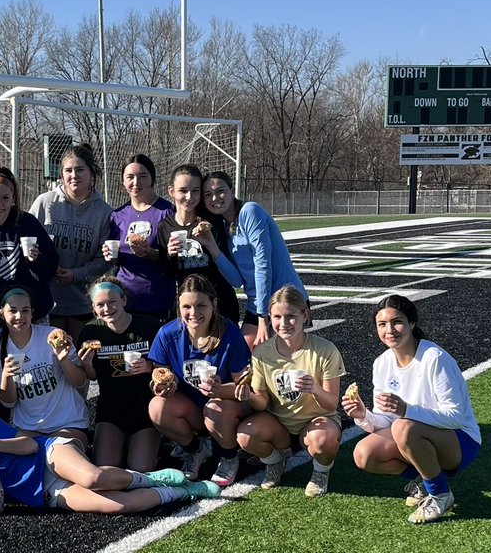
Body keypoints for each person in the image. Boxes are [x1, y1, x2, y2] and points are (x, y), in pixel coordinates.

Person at [0, 391, 220, 514]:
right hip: (39, 493)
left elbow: (29, 444)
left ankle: (148, 477)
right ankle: (182, 491)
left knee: (94, 477)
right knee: (116, 506)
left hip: (47, 454)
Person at [342, 294, 482, 524]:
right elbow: (386, 420)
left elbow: (456, 417)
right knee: (363, 454)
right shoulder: (382, 363)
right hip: (413, 434)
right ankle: (422, 479)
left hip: (460, 441)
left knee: (404, 428)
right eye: (382, 324)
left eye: (397, 322)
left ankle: (439, 493)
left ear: (412, 323)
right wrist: (363, 415)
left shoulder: (434, 358)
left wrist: (407, 410)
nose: (390, 330)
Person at [236, 285, 346, 497]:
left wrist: (314, 388)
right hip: (279, 423)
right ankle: (276, 461)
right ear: (269, 317)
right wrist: (249, 395)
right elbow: (262, 402)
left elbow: (332, 404)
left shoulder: (325, 350)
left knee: (324, 440)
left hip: (317, 419)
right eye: (277, 317)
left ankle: (321, 472)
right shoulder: (261, 353)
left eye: (291, 316)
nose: (283, 323)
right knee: (245, 436)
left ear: (305, 316)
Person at [147, 274, 252, 485]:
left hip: (227, 408)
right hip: (193, 410)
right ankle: (195, 450)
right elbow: (158, 376)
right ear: (178, 306)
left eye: (201, 305)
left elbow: (245, 389)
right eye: (187, 306)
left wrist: (220, 391)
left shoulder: (230, 334)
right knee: (157, 407)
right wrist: (162, 387)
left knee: (215, 409)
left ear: (214, 304)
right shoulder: (167, 334)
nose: (193, 313)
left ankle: (229, 456)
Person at [29, 144, 113, 343]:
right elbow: (28, 242)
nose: (73, 175)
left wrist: (77, 274)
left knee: (77, 359)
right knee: (53, 357)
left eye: (80, 169)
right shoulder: (44, 203)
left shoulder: (104, 212)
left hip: (83, 301)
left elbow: (105, 259)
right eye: (68, 170)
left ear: (92, 173)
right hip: (47, 299)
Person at [77, 277, 162, 471]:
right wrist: (87, 365)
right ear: (93, 308)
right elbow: (91, 376)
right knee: (106, 467)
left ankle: (155, 445)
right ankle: (123, 446)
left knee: (140, 468)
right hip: (111, 411)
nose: (107, 309)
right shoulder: (90, 331)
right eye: (100, 304)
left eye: (112, 301)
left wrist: (150, 367)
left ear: (123, 300)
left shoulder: (150, 326)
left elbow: (167, 366)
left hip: (144, 409)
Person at [0, 166, 58, 334]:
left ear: (13, 199)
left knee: (39, 359)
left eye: (5, 197)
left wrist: (36, 260)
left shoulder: (28, 223)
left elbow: (50, 269)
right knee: (1, 360)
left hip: (34, 311)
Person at [0, 287, 91, 445]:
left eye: (25, 310)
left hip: (68, 423)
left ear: (32, 313)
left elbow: (80, 382)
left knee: (55, 452)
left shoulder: (52, 336)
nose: (19, 316)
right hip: (28, 428)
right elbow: (8, 402)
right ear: (2, 314)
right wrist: (6, 375)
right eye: (13, 311)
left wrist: (64, 360)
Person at [156, 164, 244, 324]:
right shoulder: (164, 226)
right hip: (190, 306)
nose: (189, 197)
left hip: (220, 302)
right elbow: (167, 274)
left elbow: (226, 265)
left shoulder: (211, 221)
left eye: (195, 191)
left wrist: (211, 243)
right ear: (171, 191)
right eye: (183, 190)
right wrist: (170, 254)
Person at [227, 198, 307, 349]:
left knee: (284, 361)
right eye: (208, 194)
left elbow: (263, 265)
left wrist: (263, 319)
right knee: (242, 356)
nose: (214, 198)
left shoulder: (250, 211)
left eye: (220, 191)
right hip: (257, 305)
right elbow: (237, 281)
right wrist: (213, 248)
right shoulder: (223, 228)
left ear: (231, 191)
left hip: (286, 300)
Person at [104, 154, 174, 319]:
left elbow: (177, 259)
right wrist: (110, 257)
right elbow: (117, 261)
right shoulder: (117, 215)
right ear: (123, 182)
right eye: (130, 177)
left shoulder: (168, 212)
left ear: (152, 179)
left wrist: (153, 254)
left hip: (158, 300)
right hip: (124, 301)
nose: (136, 182)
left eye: (142, 176)